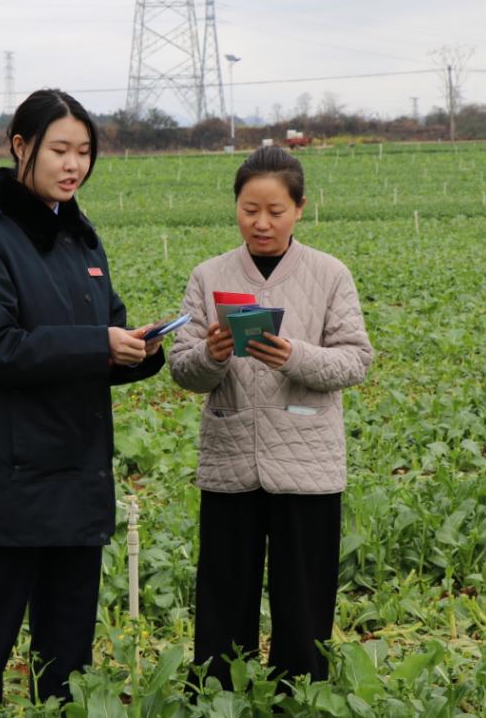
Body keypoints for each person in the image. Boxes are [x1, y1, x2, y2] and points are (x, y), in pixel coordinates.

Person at [0, 89, 165, 716]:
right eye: (60, 149)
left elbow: (100, 341)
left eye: (85, 152)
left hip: (78, 473)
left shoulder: (82, 240)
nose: (74, 165)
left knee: (66, 660)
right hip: (12, 481)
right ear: (21, 147)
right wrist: (98, 345)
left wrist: (138, 353)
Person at [168, 145, 374, 689]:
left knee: (303, 598)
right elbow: (182, 370)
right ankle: (218, 693)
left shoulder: (330, 274)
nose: (261, 223)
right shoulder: (209, 276)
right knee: (224, 590)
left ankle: (299, 693)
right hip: (231, 457)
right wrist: (212, 355)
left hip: (306, 462)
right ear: (235, 207)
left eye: (275, 211)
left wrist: (295, 356)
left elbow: (356, 359)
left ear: (300, 208)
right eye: (249, 209)